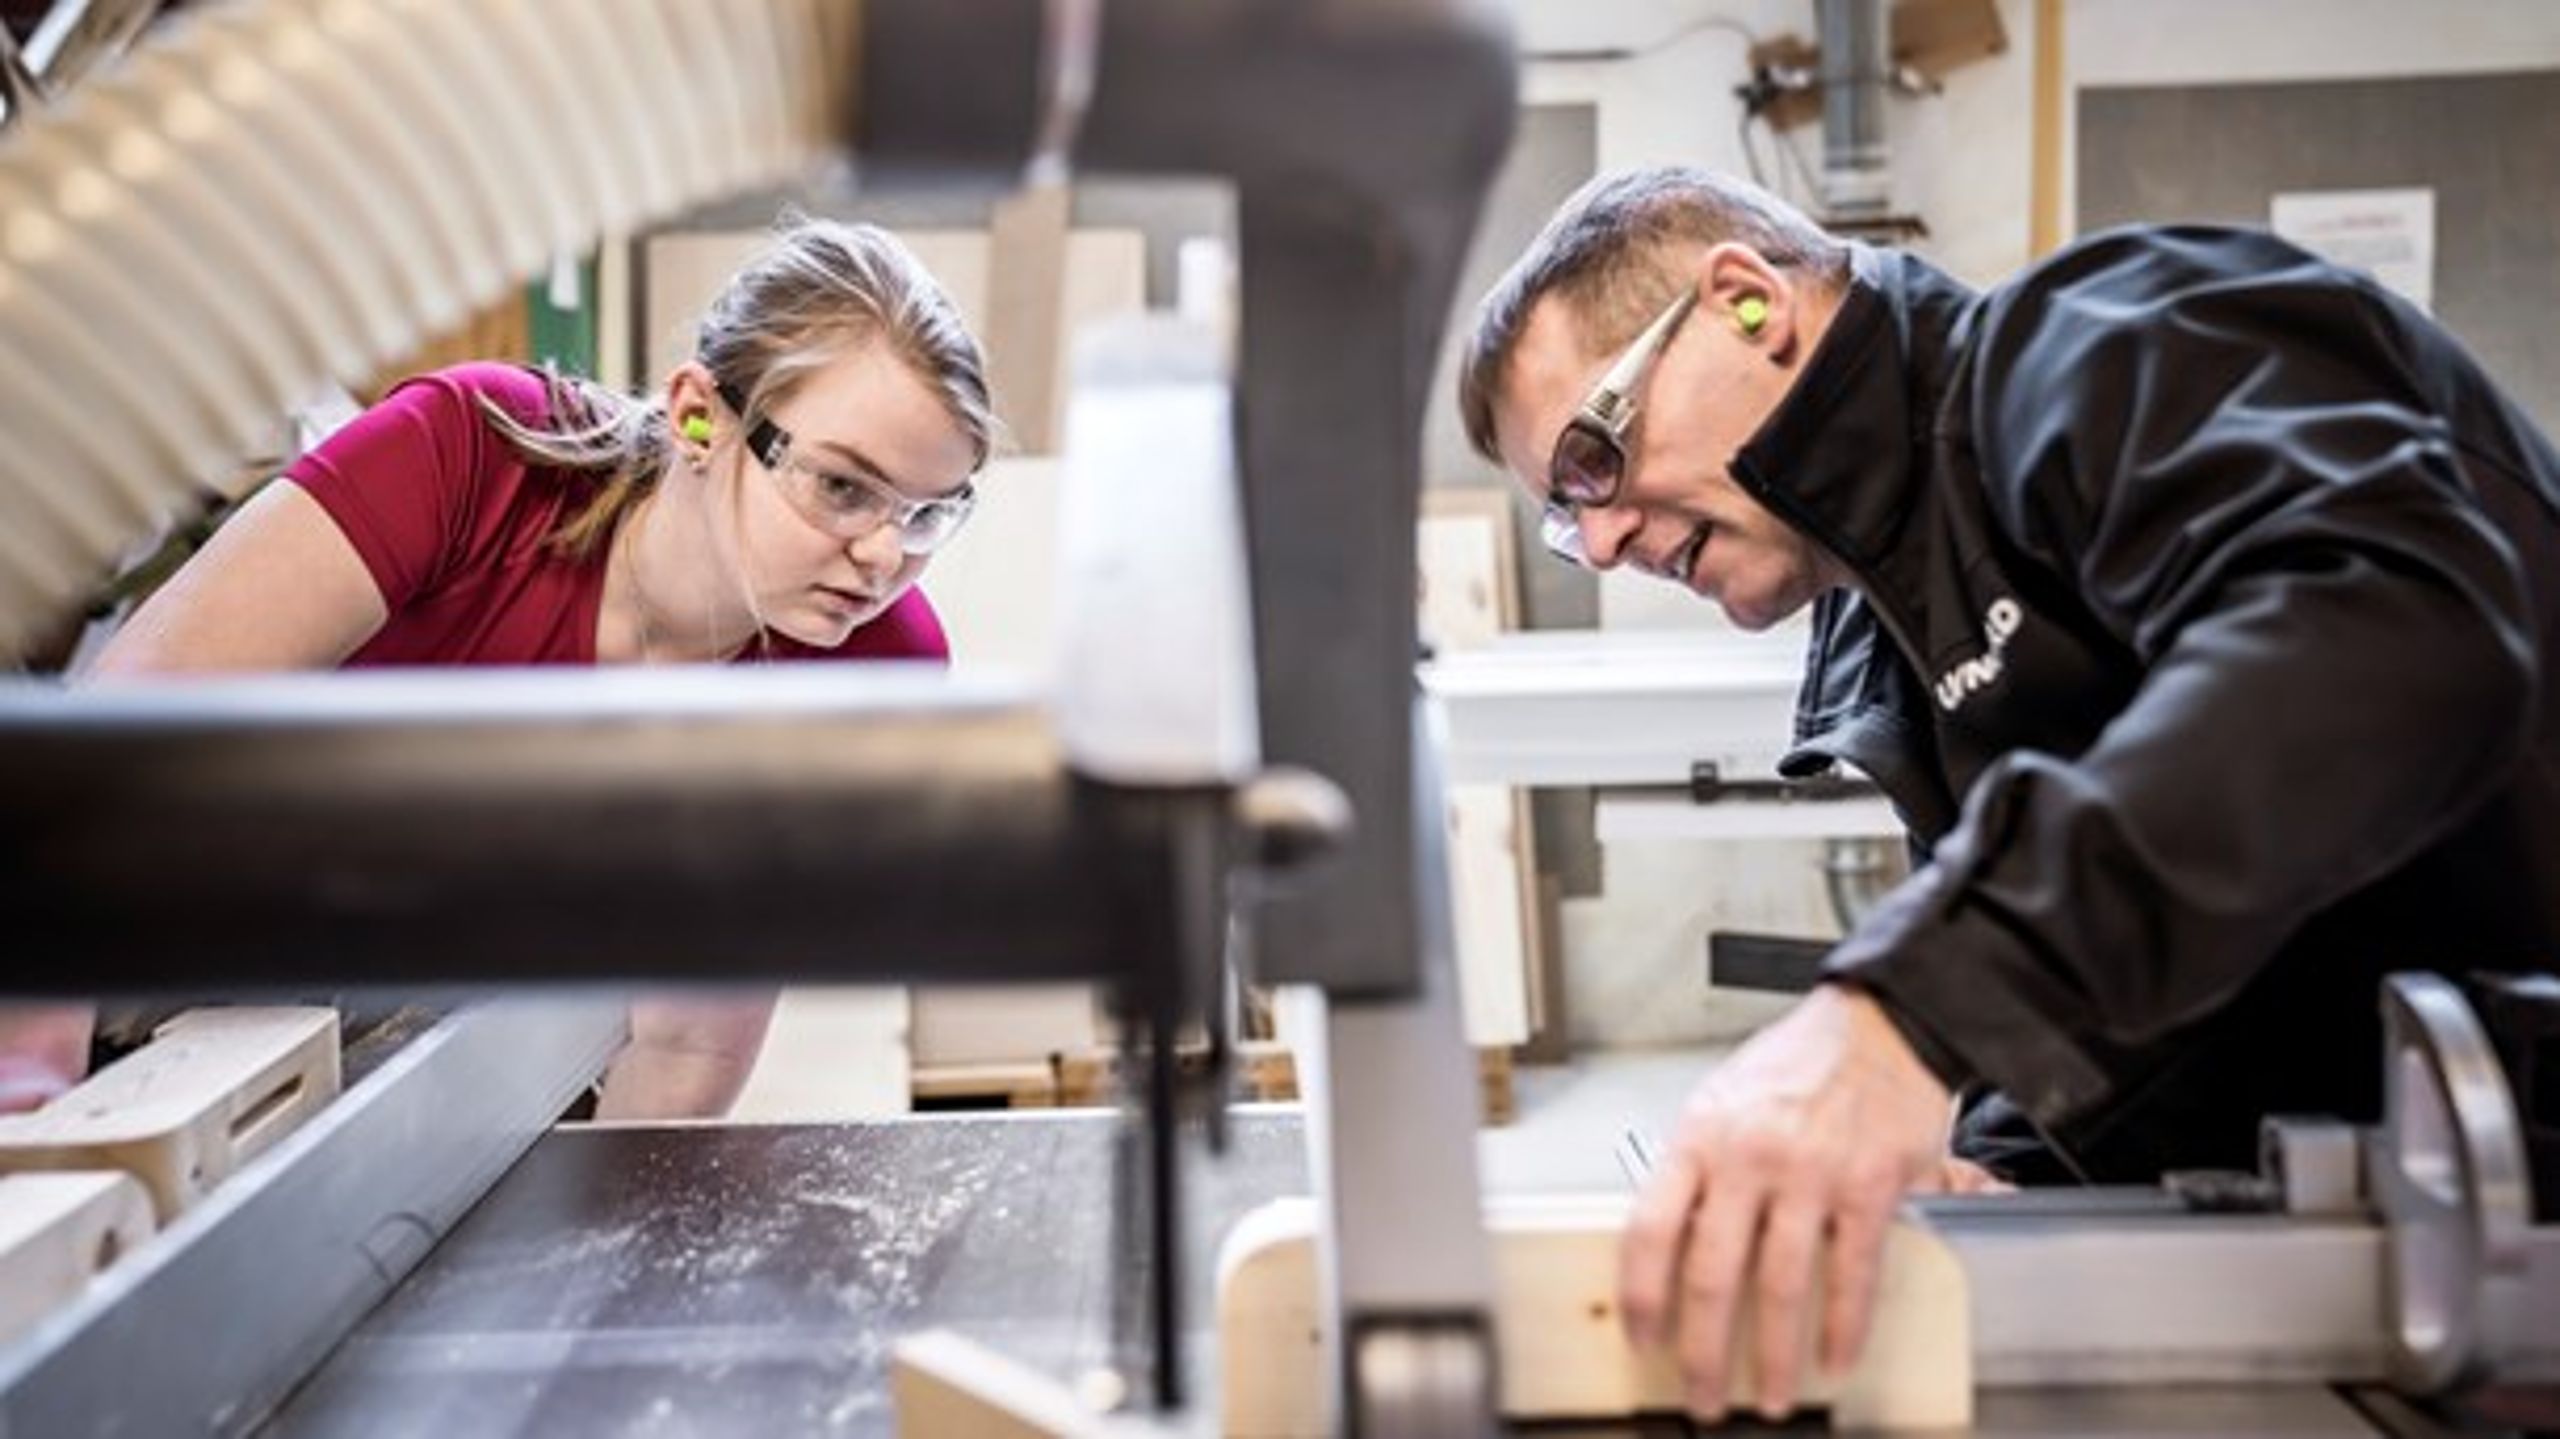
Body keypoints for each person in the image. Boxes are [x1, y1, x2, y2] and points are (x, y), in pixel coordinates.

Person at [1458, 166, 2560, 1421]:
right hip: (2377, 1257)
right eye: (1563, 516)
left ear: (1748, 304)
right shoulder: (1887, 630)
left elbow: (2397, 636)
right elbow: (2136, 988)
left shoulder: (2105, 350)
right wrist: (1985, 1174)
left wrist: (1903, 1016)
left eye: (1593, 460)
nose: (1598, 544)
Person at [0, 215, 995, 1122]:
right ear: (699, 416)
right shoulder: (476, 458)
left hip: (428, 1069)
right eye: (841, 487)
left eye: (927, 513)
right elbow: (101, 768)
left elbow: (687, 1037)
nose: (882, 556)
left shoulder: (872, 667)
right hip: (135, 959)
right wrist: (41, 1111)